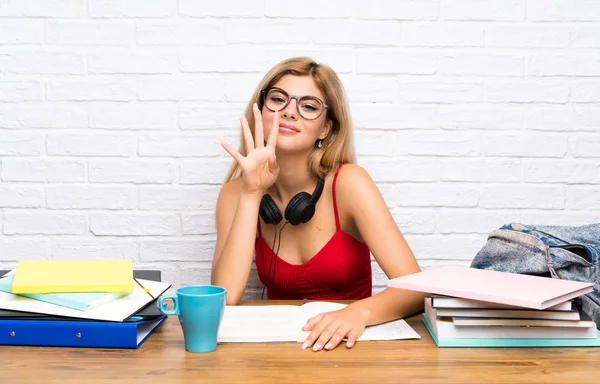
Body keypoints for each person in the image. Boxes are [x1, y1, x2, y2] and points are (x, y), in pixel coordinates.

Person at [211, 57, 426, 352]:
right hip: (280, 350)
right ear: (260, 111)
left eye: (308, 106)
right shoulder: (235, 193)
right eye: (278, 99)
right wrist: (251, 192)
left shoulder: (350, 183)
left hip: (351, 347)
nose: (289, 112)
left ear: (325, 128)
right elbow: (225, 299)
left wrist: (357, 313)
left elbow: (415, 290)